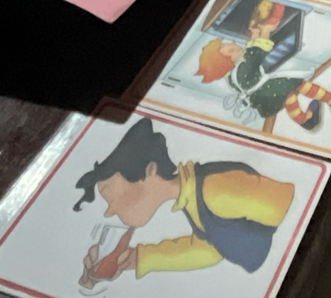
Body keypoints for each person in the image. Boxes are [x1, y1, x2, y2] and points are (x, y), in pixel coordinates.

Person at [73, 114, 294, 284]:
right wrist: (139, 258)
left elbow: (283, 201)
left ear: (150, 170)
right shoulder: (194, 201)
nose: (109, 212)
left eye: (112, 197)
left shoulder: (214, 191)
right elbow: (210, 249)